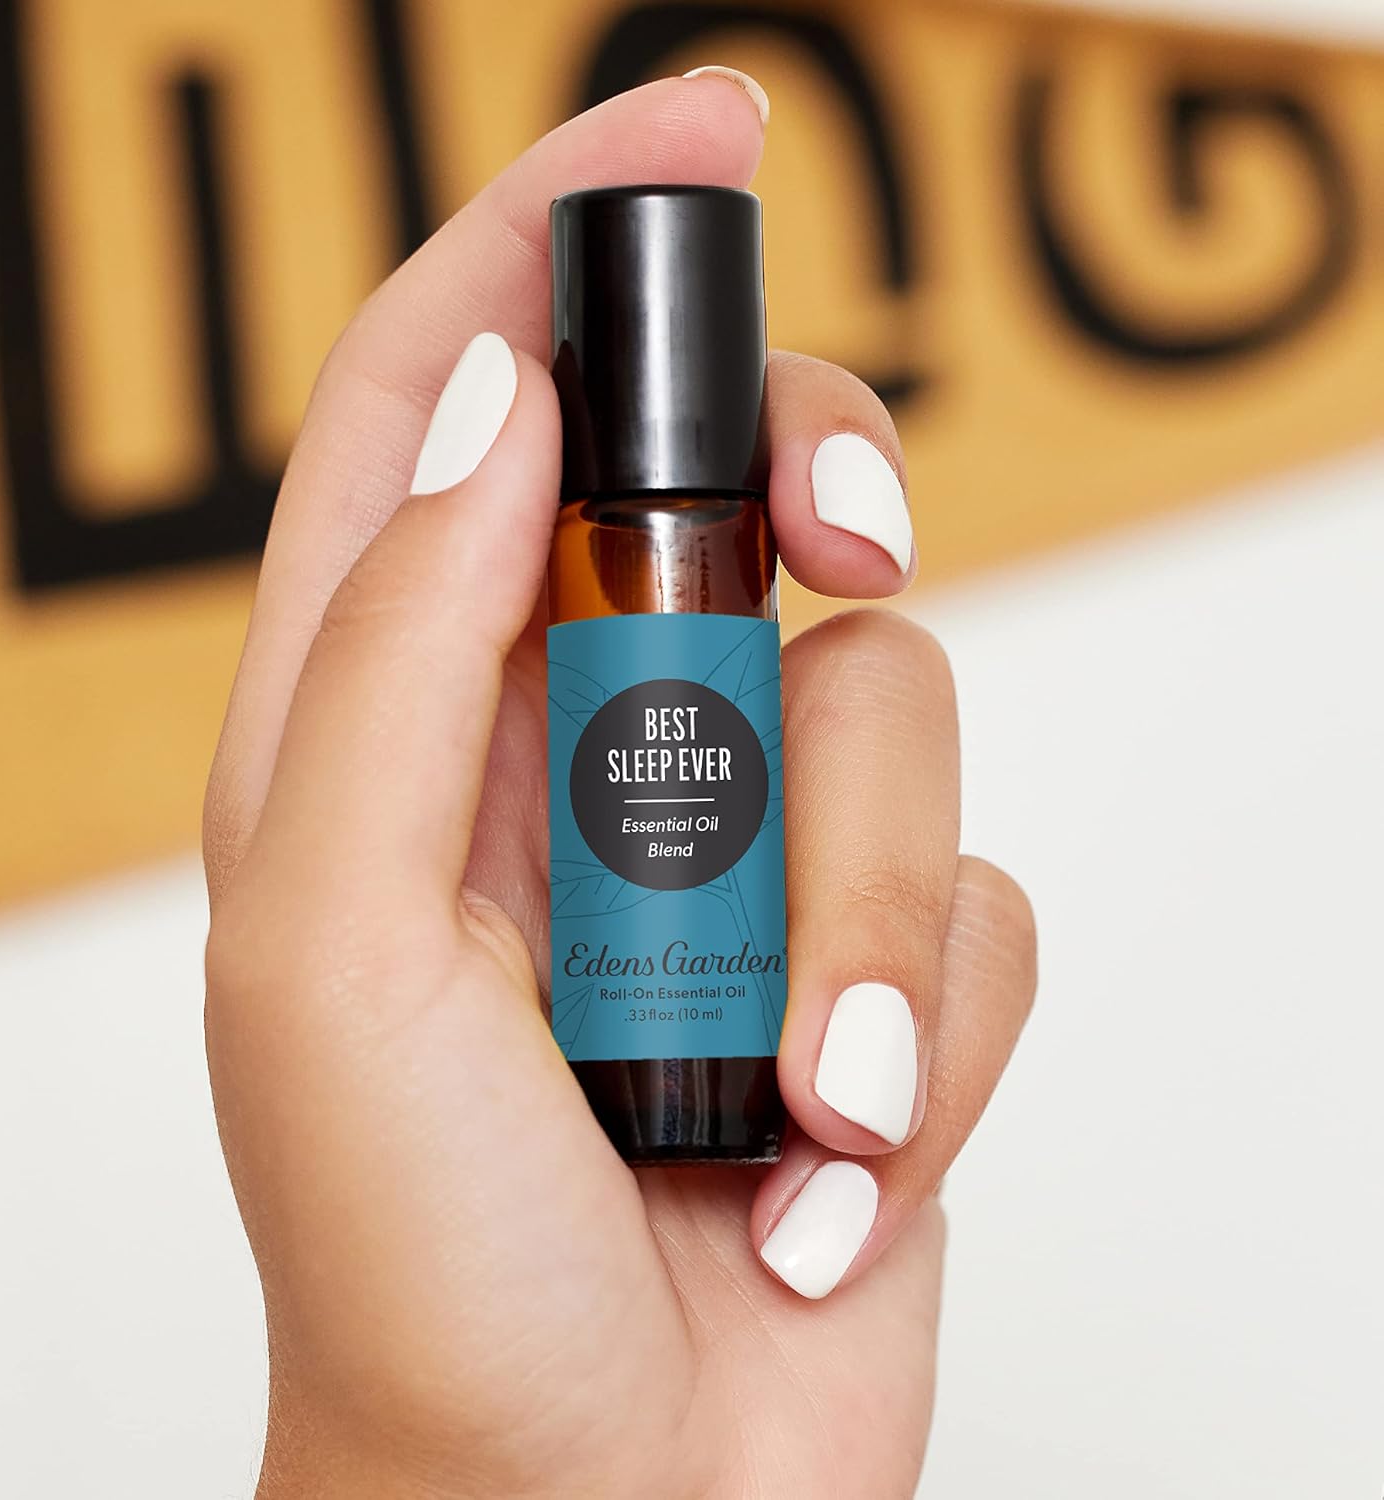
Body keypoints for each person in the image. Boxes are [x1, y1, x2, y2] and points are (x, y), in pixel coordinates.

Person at [202, 68, 1036, 1499]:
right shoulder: (587, 538)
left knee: (841, 687)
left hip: (727, 1271)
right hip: (568, 1157)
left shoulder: (723, 533)